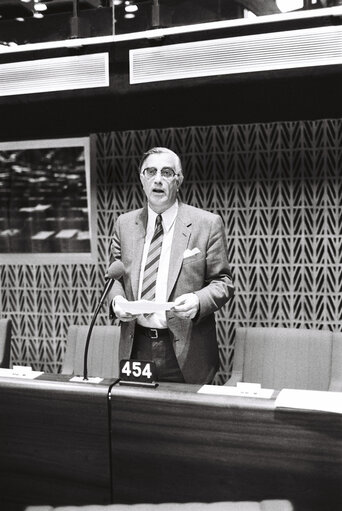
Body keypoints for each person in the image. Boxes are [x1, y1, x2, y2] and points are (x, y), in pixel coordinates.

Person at [108, 147, 234, 384]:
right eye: (151, 172)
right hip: (136, 346)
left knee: (185, 420)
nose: (158, 179)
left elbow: (223, 283)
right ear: (142, 179)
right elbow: (114, 278)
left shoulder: (206, 224)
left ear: (179, 180)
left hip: (186, 349)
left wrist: (198, 300)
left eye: (167, 172)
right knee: (138, 417)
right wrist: (117, 302)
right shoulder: (124, 224)